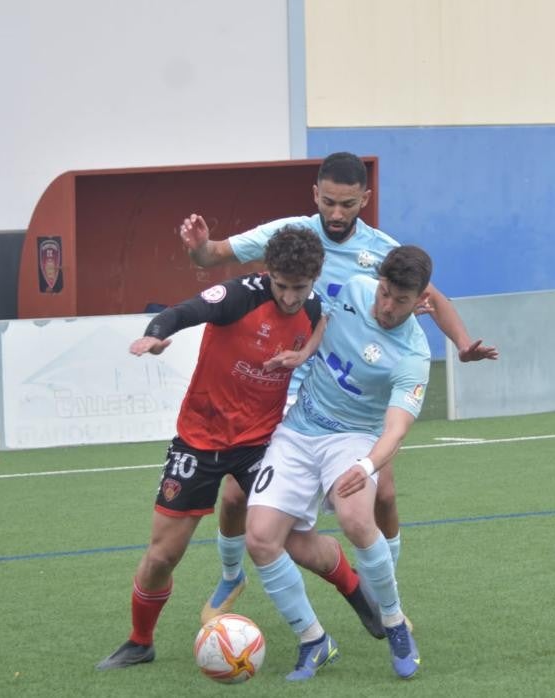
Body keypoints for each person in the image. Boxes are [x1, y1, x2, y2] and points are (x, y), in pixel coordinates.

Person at [180, 152, 498, 623]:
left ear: (364, 200)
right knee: (234, 496)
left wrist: (464, 343)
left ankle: (385, 592)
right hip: (281, 382)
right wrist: (197, 247)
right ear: (315, 195)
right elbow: (214, 255)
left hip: (347, 396)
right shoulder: (287, 233)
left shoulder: (381, 252)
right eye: (328, 202)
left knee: (383, 493)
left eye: (348, 204)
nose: (336, 213)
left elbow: (432, 297)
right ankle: (231, 575)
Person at [95, 226, 382, 671]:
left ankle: (356, 592)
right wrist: (155, 336)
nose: (289, 297)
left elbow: (353, 330)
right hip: (199, 437)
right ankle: (140, 640)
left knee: (296, 542)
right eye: (281, 286)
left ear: (315, 278)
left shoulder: (317, 307)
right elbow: (181, 313)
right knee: (162, 556)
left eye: (299, 288)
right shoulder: (238, 296)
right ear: (268, 273)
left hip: (262, 442)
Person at [246, 245, 435, 681]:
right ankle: (314, 640)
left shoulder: (413, 354)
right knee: (260, 539)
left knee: (354, 517)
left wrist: (367, 466)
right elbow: (327, 324)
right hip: (297, 428)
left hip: (353, 437)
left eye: (400, 300)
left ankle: (393, 622)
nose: (386, 306)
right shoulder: (354, 287)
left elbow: (396, 429)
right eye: (384, 293)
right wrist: (303, 354)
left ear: (420, 299)